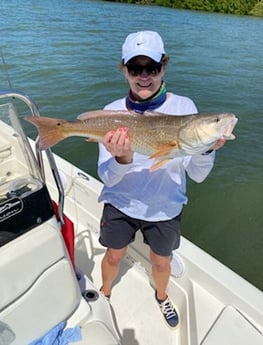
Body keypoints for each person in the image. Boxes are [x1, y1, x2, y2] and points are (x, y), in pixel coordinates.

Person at [97, 31, 225, 328]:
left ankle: (162, 296)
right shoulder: (110, 113)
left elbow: (198, 175)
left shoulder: (184, 110)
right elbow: (107, 178)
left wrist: (205, 149)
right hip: (121, 204)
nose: (144, 76)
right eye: (135, 69)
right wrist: (122, 159)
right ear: (124, 70)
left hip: (165, 209)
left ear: (164, 67)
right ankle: (104, 293)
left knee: (161, 262)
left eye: (152, 68)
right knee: (114, 256)